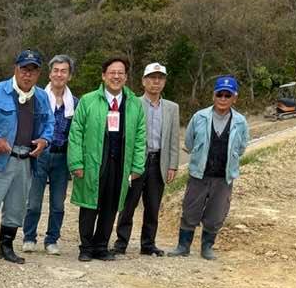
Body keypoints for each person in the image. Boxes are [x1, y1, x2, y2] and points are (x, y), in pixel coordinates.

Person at [0, 50, 53, 266]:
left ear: (38, 74)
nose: (28, 75)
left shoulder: (41, 97)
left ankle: (6, 246)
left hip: (25, 159)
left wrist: (44, 140)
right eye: (24, 69)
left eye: (33, 71)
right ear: (16, 69)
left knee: (16, 207)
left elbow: (49, 124)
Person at [68, 57, 146, 262]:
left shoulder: (134, 104)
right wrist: (76, 162)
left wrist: (137, 165)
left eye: (121, 73)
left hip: (120, 162)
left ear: (126, 77)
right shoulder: (88, 100)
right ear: (103, 76)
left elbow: (140, 136)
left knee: (111, 205)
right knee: (89, 205)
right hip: (93, 160)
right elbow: (75, 133)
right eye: (112, 72)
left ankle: (101, 246)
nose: (116, 76)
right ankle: (85, 247)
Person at [169, 75, 250, 260]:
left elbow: (242, 147)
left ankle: (207, 247)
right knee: (190, 210)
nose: (223, 99)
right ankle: (183, 246)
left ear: (234, 98)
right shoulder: (200, 117)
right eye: (219, 94)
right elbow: (189, 142)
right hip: (199, 174)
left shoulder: (240, 122)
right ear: (213, 96)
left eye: (227, 95)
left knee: (216, 214)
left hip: (223, 177)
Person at [113, 62, 180, 256]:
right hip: (136, 161)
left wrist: (173, 165)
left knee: (153, 205)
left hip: (158, 161)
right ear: (144, 81)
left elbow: (173, 139)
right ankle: (121, 242)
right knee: (128, 204)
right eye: (152, 78)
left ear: (164, 82)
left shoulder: (171, 108)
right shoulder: (132, 103)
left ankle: (148, 243)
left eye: (160, 78)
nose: (156, 82)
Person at [22, 54, 78, 256]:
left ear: (69, 75)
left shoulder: (75, 103)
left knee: (57, 203)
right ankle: (29, 237)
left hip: (62, 157)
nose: (59, 74)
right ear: (50, 73)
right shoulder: (37, 97)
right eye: (55, 70)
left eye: (64, 71)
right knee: (34, 201)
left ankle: (52, 239)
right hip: (39, 155)